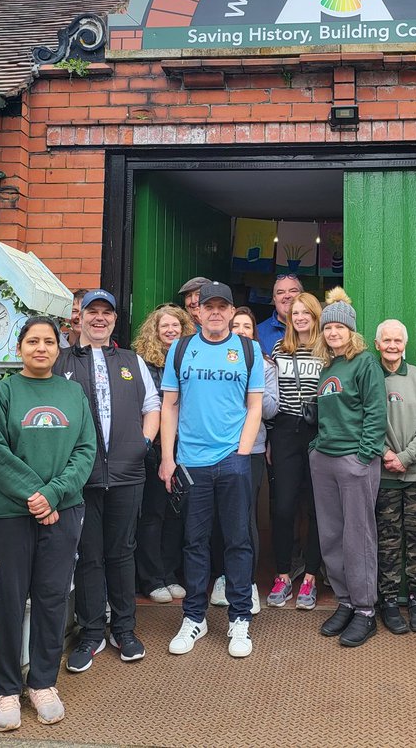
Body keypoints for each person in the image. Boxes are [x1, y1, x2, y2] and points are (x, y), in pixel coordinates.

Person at [0, 317, 97, 733]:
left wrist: (55, 495)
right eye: (33, 341)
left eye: (49, 341)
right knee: (8, 601)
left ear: (58, 348)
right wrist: (36, 495)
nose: (41, 348)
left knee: (51, 599)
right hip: (10, 514)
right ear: (20, 347)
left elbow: (85, 451)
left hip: (63, 512)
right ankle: (6, 690)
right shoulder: (3, 392)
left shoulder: (73, 394)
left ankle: (43, 683)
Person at [55, 290, 161, 672]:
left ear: (115, 320)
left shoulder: (131, 360)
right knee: (88, 554)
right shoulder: (61, 360)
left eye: (106, 313)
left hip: (127, 473)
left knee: (122, 551)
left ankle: (125, 629)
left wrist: (143, 442)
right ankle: (91, 632)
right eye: (92, 312)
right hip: (79, 476)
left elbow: (153, 406)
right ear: (79, 317)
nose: (99, 319)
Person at [160, 282, 264, 659]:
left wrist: (241, 450)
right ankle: (194, 617)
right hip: (191, 461)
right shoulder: (181, 348)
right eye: (210, 306)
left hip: (233, 460)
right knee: (195, 541)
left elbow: (255, 405)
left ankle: (240, 619)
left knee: (238, 541)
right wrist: (167, 457)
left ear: (233, 311)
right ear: (198, 312)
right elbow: (169, 405)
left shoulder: (248, 350)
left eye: (223, 306)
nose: (216, 312)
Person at [310, 288, 388, 648]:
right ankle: (344, 601)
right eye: (328, 328)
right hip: (324, 459)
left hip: (354, 461)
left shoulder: (365, 362)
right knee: (331, 535)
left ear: (351, 331)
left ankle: (365, 611)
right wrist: (315, 447)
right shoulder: (330, 366)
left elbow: (376, 412)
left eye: (339, 327)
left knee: (359, 536)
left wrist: (364, 455)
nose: (333, 333)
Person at [206, 307, 279, 614]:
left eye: (246, 326)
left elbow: (272, 408)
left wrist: (250, 381)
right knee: (218, 516)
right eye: (235, 325)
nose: (240, 331)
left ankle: (246, 583)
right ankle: (224, 576)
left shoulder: (264, 365)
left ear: (254, 333)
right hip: (214, 449)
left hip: (251, 450)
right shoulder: (213, 359)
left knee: (244, 516)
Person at [374, 319, 416, 635]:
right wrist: (386, 454)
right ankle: (387, 600)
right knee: (387, 539)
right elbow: (365, 421)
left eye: (397, 340)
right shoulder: (370, 378)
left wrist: (405, 458)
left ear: (405, 344)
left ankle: (415, 599)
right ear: (377, 344)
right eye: (386, 340)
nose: (392, 345)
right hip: (383, 475)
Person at [132, 303, 194, 603]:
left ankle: (170, 574)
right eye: (164, 326)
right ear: (154, 332)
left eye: (176, 326)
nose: (170, 331)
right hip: (155, 448)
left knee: (177, 514)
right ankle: (151, 578)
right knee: (153, 513)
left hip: (187, 447)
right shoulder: (143, 364)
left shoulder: (192, 359)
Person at [266, 292, 325, 610]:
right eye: (296, 312)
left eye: (306, 312)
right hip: (286, 430)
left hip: (318, 430)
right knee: (284, 507)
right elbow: (272, 395)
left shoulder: (326, 349)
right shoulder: (279, 349)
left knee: (317, 507)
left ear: (316, 316)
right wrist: (270, 441)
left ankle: (311, 578)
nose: (300, 317)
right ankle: (283, 575)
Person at [258, 273, 302, 357]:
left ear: (303, 295)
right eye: (280, 292)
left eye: (293, 291)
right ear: (274, 298)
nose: (287, 296)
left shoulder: (318, 329)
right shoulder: (258, 333)